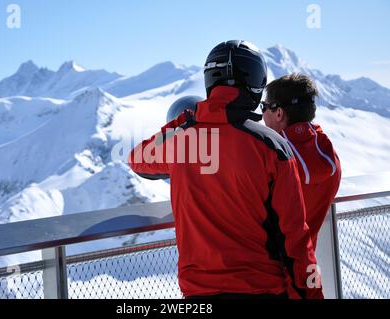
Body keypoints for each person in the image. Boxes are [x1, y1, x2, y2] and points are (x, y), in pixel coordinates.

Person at [128, 40, 322, 299]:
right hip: (261, 288)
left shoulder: (181, 138)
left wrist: (187, 119)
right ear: (256, 83)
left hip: (199, 293)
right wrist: (312, 294)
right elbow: (295, 238)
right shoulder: (272, 147)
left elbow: (137, 158)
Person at [262, 73, 342, 250]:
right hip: (305, 262)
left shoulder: (272, 158)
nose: (262, 114)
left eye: (264, 107)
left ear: (279, 113)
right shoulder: (329, 157)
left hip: (268, 268)